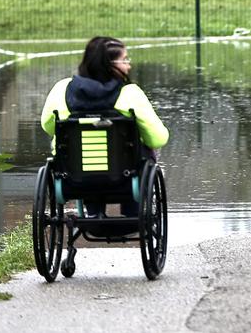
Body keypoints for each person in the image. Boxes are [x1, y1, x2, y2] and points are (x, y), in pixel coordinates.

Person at [40, 37, 169, 217]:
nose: (129, 66)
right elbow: (158, 138)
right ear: (109, 64)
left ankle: (93, 212)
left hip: (75, 176)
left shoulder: (62, 90)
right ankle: (132, 213)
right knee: (145, 149)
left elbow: (48, 127)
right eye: (125, 60)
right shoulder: (130, 94)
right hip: (124, 177)